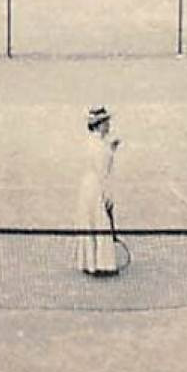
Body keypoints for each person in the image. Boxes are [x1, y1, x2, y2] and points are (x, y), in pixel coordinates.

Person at [75, 106, 121, 277]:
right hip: (96, 188)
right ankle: (104, 265)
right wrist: (108, 197)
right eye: (106, 122)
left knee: (90, 223)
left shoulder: (92, 143)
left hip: (86, 188)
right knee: (101, 222)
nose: (109, 125)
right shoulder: (100, 146)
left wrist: (110, 149)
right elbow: (103, 172)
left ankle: (90, 264)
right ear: (99, 124)